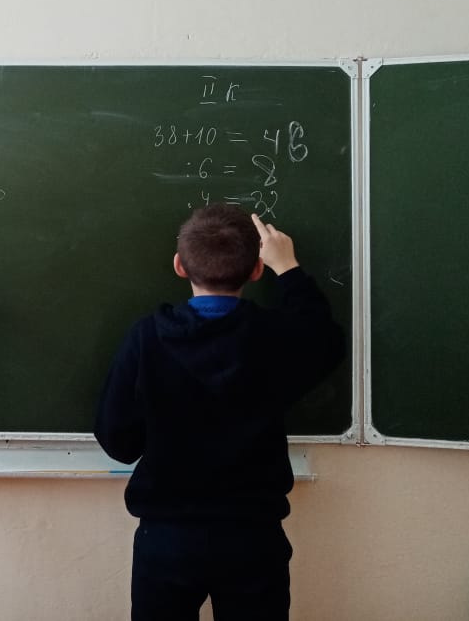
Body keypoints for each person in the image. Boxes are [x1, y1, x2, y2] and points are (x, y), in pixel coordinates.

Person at [94, 205, 343, 621]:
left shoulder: (147, 338)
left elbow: (117, 440)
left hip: (167, 537)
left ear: (179, 265)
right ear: (257, 270)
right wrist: (289, 269)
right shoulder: (276, 337)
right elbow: (325, 340)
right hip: (253, 536)